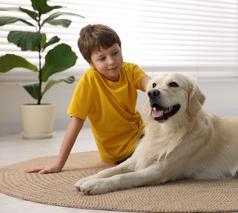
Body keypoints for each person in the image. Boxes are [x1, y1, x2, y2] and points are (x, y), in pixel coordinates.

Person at [26, 24, 151, 174]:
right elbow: (75, 124)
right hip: (119, 152)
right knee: (159, 159)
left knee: (174, 139)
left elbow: (153, 87)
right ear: (91, 63)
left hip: (142, 134)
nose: (111, 61)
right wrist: (58, 164)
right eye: (102, 58)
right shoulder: (89, 82)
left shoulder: (131, 70)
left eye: (115, 53)